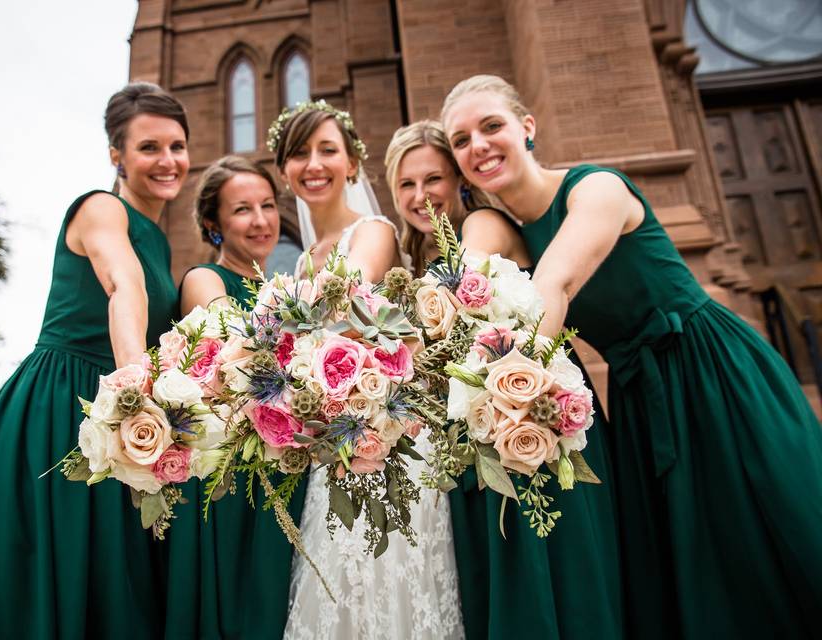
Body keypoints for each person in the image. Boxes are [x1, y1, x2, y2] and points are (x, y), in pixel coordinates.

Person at [442, 74, 822, 639]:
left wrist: (509, 391)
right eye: (461, 139)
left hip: (710, 368)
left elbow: (557, 282)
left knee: (778, 526)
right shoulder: (513, 236)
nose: (478, 145)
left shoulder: (597, 189)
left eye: (491, 126)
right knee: (696, 562)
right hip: (640, 393)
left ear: (527, 127)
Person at [0, 82, 187, 639]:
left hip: (112, 415)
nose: (167, 160)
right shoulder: (100, 207)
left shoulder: (161, 239)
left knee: (110, 588)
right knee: (52, 590)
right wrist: (136, 389)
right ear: (117, 156)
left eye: (177, 146)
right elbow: (122, 285)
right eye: (149, 147)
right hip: (57, 412)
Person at [385, 119, 624, 640]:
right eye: (407, 184)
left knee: (541, 560)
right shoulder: (419, 256)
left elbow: (461, 293)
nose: (421, 195)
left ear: (459, 182)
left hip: (528, 400)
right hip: (477, 416)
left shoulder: (483, 225)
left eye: (434, 179)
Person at [270, 101, 465, 639]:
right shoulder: (305, 260)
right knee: (339, 586)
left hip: (387, 436)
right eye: (299, 154)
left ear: (353, 163)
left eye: (327, 150)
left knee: (389, 581)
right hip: (334, 440)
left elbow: (344, 311)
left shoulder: (373, 232)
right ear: (285, 171)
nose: (313, 164)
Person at [166, 155, 307, 639]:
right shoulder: (205, 280)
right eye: (243, 209)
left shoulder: (281, 291)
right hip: (231, 470)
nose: (262, 220)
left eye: (268, 205)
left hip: (284, 457)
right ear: (214, 224)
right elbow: (237, 337)